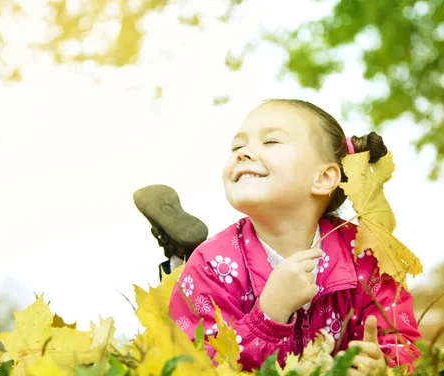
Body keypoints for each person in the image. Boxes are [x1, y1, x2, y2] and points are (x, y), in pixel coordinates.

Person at [168, 99, 421, 373]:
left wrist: (383, 365)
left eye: (271, 142)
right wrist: (268, 317)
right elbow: (196, 361)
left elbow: (402, 341)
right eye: (237, 147)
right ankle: (174, 257)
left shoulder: (364, 256)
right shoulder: (211, 265)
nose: (243, 153)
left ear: (324, 178)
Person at [133, 184, 209, 281]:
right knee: (201, 265)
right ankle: (189, 257)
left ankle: (179, 262)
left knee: (172, 281)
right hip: (205, 266)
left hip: (175, 275)